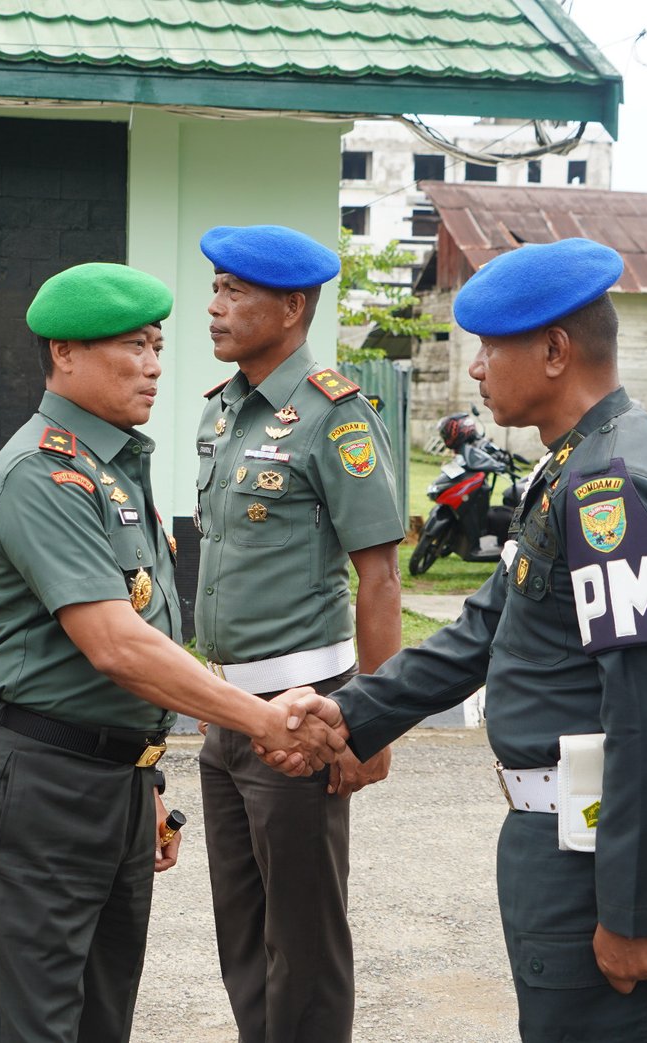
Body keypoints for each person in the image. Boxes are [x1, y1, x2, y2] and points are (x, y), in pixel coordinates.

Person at [272, 237, 647, 1043]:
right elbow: (486, 627)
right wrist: (350, 714)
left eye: (489, 346)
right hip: (562, 840)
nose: (474, 368)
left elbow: (646, 713)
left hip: (595, 855)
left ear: (553, 351)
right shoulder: (571, 466)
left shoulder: (614, 487)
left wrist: (633, 909)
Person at [0, 261, 348, 1043]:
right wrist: (262, 721)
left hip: (114, 784)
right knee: (26, 1023)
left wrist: (147, 778)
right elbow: (116, 644)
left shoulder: (115, 469)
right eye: (134, 345)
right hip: (38, 783)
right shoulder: (44, 472)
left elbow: (153, 642)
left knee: (101, 1018)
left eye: (159, 345)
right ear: (65, 353)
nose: (156, 364)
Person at [191, 224, 406, 1042]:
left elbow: (379, 578)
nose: (213, 307)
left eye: (233, 291)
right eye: (214, 287)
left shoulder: (333, 416)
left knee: (304, 943)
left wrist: (374, 722)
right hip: (224, 710)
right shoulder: (222, 415)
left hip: (304, 715)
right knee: (241, 935)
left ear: (291, 305)